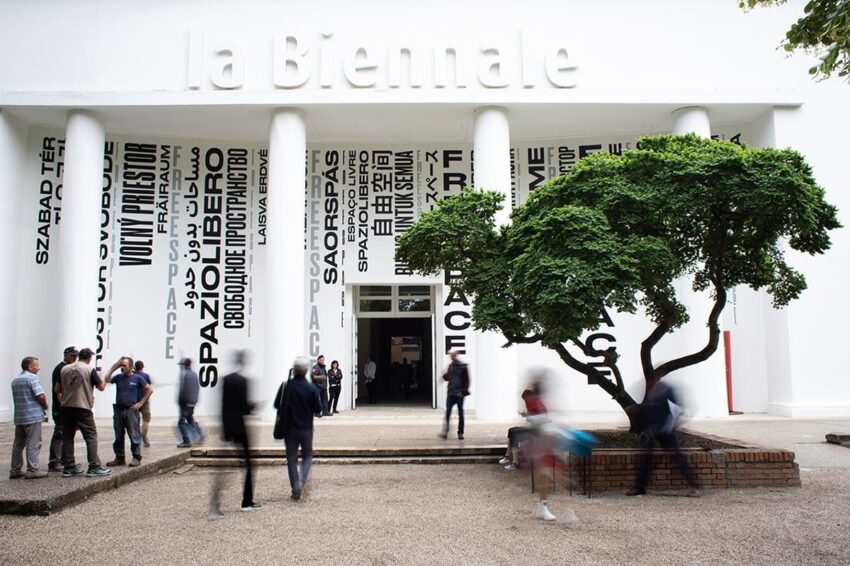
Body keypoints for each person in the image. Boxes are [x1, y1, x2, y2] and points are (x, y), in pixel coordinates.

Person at [209, 350, 261, 519]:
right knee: (248, 464)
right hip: (240, 427)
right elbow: (244, 408)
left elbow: (222, 405)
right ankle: (247, 501)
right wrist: (254, 406)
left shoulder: (226, 380)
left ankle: (215, 506)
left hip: (228, 427)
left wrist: (223, 428)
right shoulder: (244, 381)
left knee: (222, 468)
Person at [627, 380, 700, 497]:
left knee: (676, 457)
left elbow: (675, 410)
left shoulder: (664, 390)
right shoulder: (654, 391)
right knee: (648, 459)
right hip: (655, 429)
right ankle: (640, 487)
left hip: (666, 429)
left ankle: (695, 485)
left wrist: (669, 425)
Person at [57, 347, 111, 477]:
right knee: (91, 436)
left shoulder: (64, 369)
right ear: (89, 358)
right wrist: (102, 376)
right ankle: (94, 466)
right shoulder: (88, 369)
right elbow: (101, 387)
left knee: (67, 437)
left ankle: (68, 467)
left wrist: (63, 402)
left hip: (66, 408)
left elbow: (57, 389)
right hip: (82, 407)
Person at [275, 356, 321, 501]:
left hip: (290, 429)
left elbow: (277, 405)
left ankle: (295, 485)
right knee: (307, 456)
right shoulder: (311, 388)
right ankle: (301, 480)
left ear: (294, 370)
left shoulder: (286, 386)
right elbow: (318, 408)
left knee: (291, 459)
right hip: (306, 428)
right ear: (306, 370)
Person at [104, 357, 153, 467]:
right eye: (121, 365)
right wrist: (113, 368)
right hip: (118, 410)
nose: (122, 367)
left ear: (130, 366)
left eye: (124, 365)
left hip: (131, 410)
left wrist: (140, 403)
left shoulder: (137, 378)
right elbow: (105, 380)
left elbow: (149, 390)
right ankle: (119, 458)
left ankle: (136, 457)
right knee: (118, 436)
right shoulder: (118, 377)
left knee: (134, 435)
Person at [10, 356, 49, 479]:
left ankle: (15, 469)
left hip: (19, 416)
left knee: (18, 444)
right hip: (32, 416)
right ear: (30, 367)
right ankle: (32, 469)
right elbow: (40, 396)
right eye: (37, 365)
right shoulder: (32, 378)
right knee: (33, 443)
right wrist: (45, 406)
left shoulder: (16, 380)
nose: (39, 368)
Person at [500, 384, 549, 470]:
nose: (525, 401)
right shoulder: (533, 404)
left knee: (514, 433)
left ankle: (515, 463)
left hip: (536, 430)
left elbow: (541, 419)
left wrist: (528, 416)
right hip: (533, 428)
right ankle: (508, 456)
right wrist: (526, 416)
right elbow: (532, 418)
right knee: (511, 430)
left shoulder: (537, 404)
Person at [48, 346, 77, 471]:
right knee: (59, 433)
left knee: (66, 434)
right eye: (72, 355)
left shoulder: (65, 368)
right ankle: (54, 461)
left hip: (65, 407)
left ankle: (65, 460)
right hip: (60, 408)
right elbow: (59, 390)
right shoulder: (61, 368)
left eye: (76, 356)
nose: (74, 358)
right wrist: (62, 406)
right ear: (65, 355)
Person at [439, 350, 470, 440]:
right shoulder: (450, 366)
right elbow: (448, 378)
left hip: (459, 394)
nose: (450, 357)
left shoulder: (463, 366)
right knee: (448, 412)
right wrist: (444, 375)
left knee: (460, 413)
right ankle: (445, 431)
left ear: (455, 355)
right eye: (450, 356)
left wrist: (462, 392)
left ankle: (460, 432)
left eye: (452, 355)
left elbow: (467, 381)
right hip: (451, 393)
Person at [177, 357, 204, 448]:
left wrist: (181, 401)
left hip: (186, 403)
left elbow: (184, 390)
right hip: (192, 402)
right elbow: (197, 388)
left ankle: (186, 441)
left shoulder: (185, 375)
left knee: (181, 422)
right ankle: (201, 434)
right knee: (190, 419)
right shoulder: (194, 374)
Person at [134, 360, 152, 447]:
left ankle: (137, 439)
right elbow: (149, 386)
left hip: (135, 401)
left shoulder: (133, 375)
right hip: (144, 401)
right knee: (146, 420)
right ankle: (144, 436)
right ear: (142, 367)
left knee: (136, 421)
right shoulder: (145, 376)